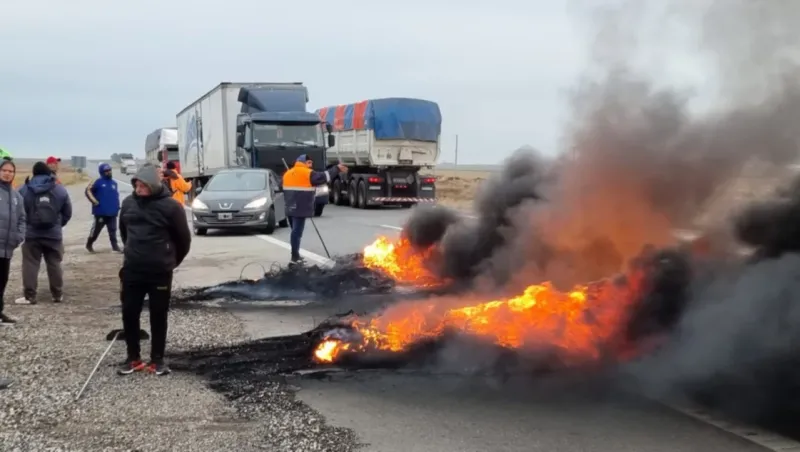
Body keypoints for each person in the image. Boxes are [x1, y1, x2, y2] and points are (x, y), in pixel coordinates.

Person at [118, 164, 191, 376]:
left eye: (143, 186)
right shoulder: (128, 203)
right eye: (136, 185)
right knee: (129, 313)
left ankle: (157, 359)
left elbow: (183, 240)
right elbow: (124, 232)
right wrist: (132, 252)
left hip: (159, 271)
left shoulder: (171, 207)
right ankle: (133, 358)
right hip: (132, 269)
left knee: (158, 315)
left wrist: (170, 261)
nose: (139, 189)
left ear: (153, 185)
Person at [16, 162, 72, 305]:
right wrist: (58, 225)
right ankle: (57, 295)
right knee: (54, 263)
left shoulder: (23, 189)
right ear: (49, 173)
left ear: (33, 173)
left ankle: (30, 296)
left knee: (30, 264)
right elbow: (67, 212)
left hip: (32, 234)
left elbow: (19, 212)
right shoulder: (59, 189)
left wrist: (25, 226)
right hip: (53, 234)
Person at [282, 154, 346, 264]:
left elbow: (282, 187)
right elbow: (324, 177)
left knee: (294, 232)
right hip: (300, 208)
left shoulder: (288, 173)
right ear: (302, 162)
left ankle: (295, 255)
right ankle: (295, 257)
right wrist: (337, 168)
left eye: (311, 163)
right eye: (309, 163)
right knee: (297, 232)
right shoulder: (307, 173)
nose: (311, 165)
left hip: (290, 207)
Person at [0, 160, 25, 325]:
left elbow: (22, 219)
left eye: (11, 171)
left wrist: (18, 237)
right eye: (4, 170)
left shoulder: (17, 196)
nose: (7, 173)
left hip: (7, 247)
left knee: (2, 281)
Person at [84, 163, 121, 253]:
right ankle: (89, 243)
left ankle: (115, 247)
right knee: (96, 231)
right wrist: (95, 202)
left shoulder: (114, 183)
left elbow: (115, 196)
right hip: (101, 212)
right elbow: (88, 191)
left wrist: (117, 207)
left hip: (112, 212)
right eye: (106, 171)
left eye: (109, 170)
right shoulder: (97, 182)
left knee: (113, 230)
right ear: (102, 172)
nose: (109, 172)